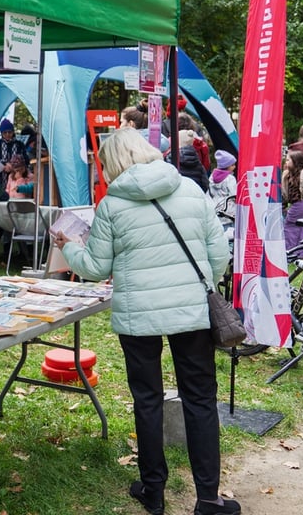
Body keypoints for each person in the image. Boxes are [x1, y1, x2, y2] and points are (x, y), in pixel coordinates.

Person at [52, 128, 236, 515]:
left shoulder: (112, 205)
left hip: (139, 316)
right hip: (191, 311)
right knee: (200, 399)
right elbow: (219, 253)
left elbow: (94, 267)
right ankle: (208, 498)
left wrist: (67, 245)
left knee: (147, 400)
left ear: (112, 164)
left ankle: (153, 490)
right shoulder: (189, 189)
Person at [0, 118, 27, 190]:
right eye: (5, 133)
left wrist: (14, 166)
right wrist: (3, 164)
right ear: (2, 133)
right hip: (0, 178)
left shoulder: (19, 145)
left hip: (16, 178)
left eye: (9, 132)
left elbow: (26, 160)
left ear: (13, 132)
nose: (7, 134)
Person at [209, 149, 237, 231]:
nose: (234, 167)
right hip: (229, 209)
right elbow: (234, 194)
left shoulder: (212, 177)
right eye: (232, 165)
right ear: (226, 166)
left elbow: (211, 192)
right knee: (231, 232)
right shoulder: (230, 179)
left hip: (217, 207)